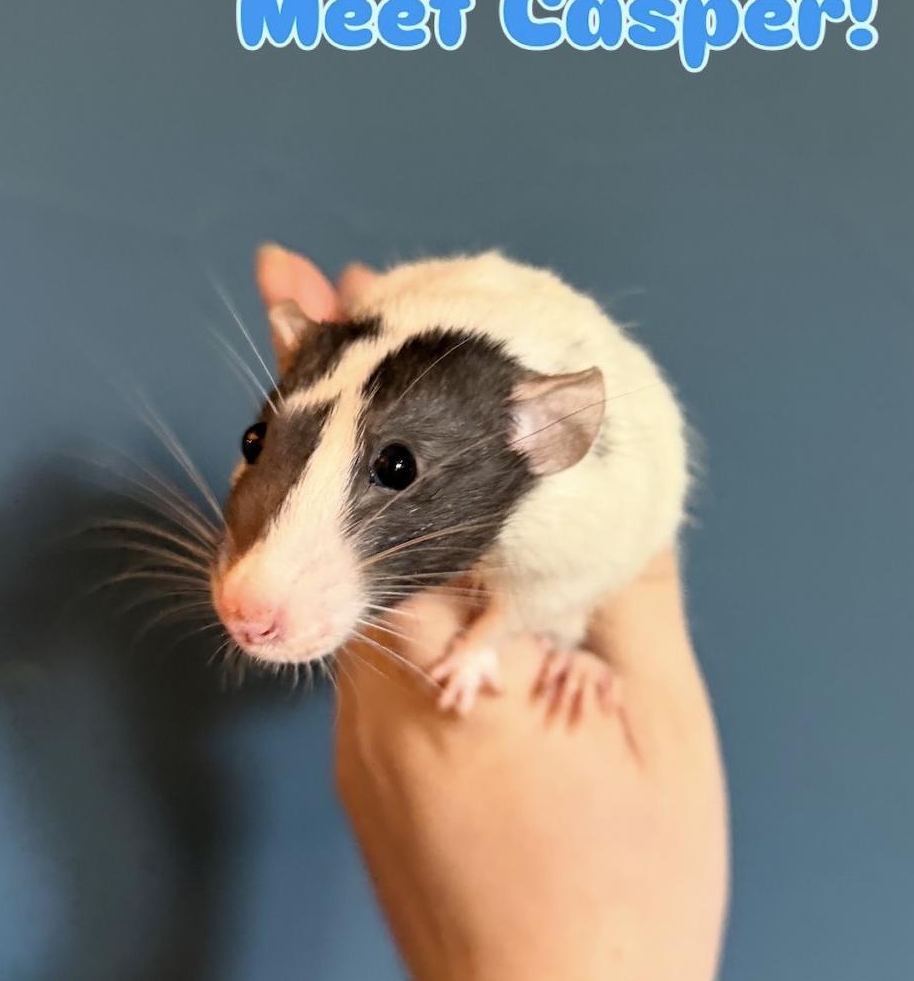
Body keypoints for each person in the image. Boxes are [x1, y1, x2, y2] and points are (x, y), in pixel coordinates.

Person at [258, 246, 730, 981]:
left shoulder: (563, 485)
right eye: (256, 443)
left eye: (396, 471)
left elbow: (597, 560)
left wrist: (492, 634)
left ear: (545, 436)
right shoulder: (374, 341)